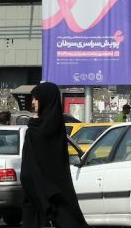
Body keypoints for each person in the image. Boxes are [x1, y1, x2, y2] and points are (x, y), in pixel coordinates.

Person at [20, 83, 87, 228]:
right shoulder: (57, 128)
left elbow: (28, 169)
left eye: (36, 99)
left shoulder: (34, 131)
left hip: (39, 195)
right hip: (59, 194)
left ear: (45, 100)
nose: (33, 102)